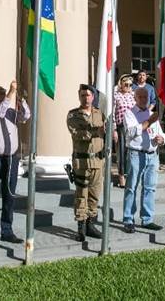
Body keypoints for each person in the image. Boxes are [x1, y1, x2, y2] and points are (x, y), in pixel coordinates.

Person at [0, 80, 31, 248]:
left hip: (10, 159)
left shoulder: (11, 112)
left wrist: (21, 99)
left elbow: (26, 116)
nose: (3, 94)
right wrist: (10, 93)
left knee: (9, 195)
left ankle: (7, 230)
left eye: (4, 92)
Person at [122, 87, 165, 233]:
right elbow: (131, 132)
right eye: (140, 97)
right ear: (135, 98)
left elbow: (161, 134)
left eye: (146, 97)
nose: (144, 99)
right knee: (131, 187)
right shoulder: (130, 113)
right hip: (136, 153)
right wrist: (148, 122)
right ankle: (128, 219)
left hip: (152, 154)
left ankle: (147, 219)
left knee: (150, 188)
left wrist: (161, 139)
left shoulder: (152, 114)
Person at [66, 84, 105, 242]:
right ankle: (80, 227)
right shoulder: (73, 115)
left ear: (93, 97)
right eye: (83, 95)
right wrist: (96, 131)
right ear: (79, 96)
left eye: (88, 95)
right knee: (81, 195)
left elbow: (106, 131)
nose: (86, 98)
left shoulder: (100, 113)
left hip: (97, 160)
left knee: (94, 195)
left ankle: (90, 224)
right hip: (82, 161)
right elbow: (77, 133)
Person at [113, 74, 136, 188]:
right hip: (121, 126)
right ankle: (121, 176)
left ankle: (130, 175)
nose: (128, 87)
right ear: (121, 84)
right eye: (126, 84)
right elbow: (112, 113)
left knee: (132, 152)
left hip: (132, 126)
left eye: (130, 85)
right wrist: (114, 130)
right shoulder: (116, 95)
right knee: (121, 152)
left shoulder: (132, 95)